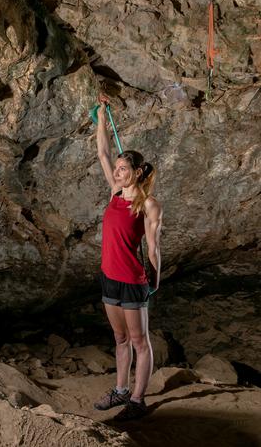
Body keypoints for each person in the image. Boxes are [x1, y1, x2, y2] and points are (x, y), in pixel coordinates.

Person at [92, 94, 163, 421]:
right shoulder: (114, 192)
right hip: (109, 276)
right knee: (120, 338)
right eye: (117, 169)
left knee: (139, 341)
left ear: (136, 173)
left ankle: (137, 399)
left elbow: (152, 247)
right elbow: (103, 151)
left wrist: (154, 281)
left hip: (133, 281)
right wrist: (103, 116)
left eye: (123, 169)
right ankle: (120, 390)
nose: (117, 172)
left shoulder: (147, 205)